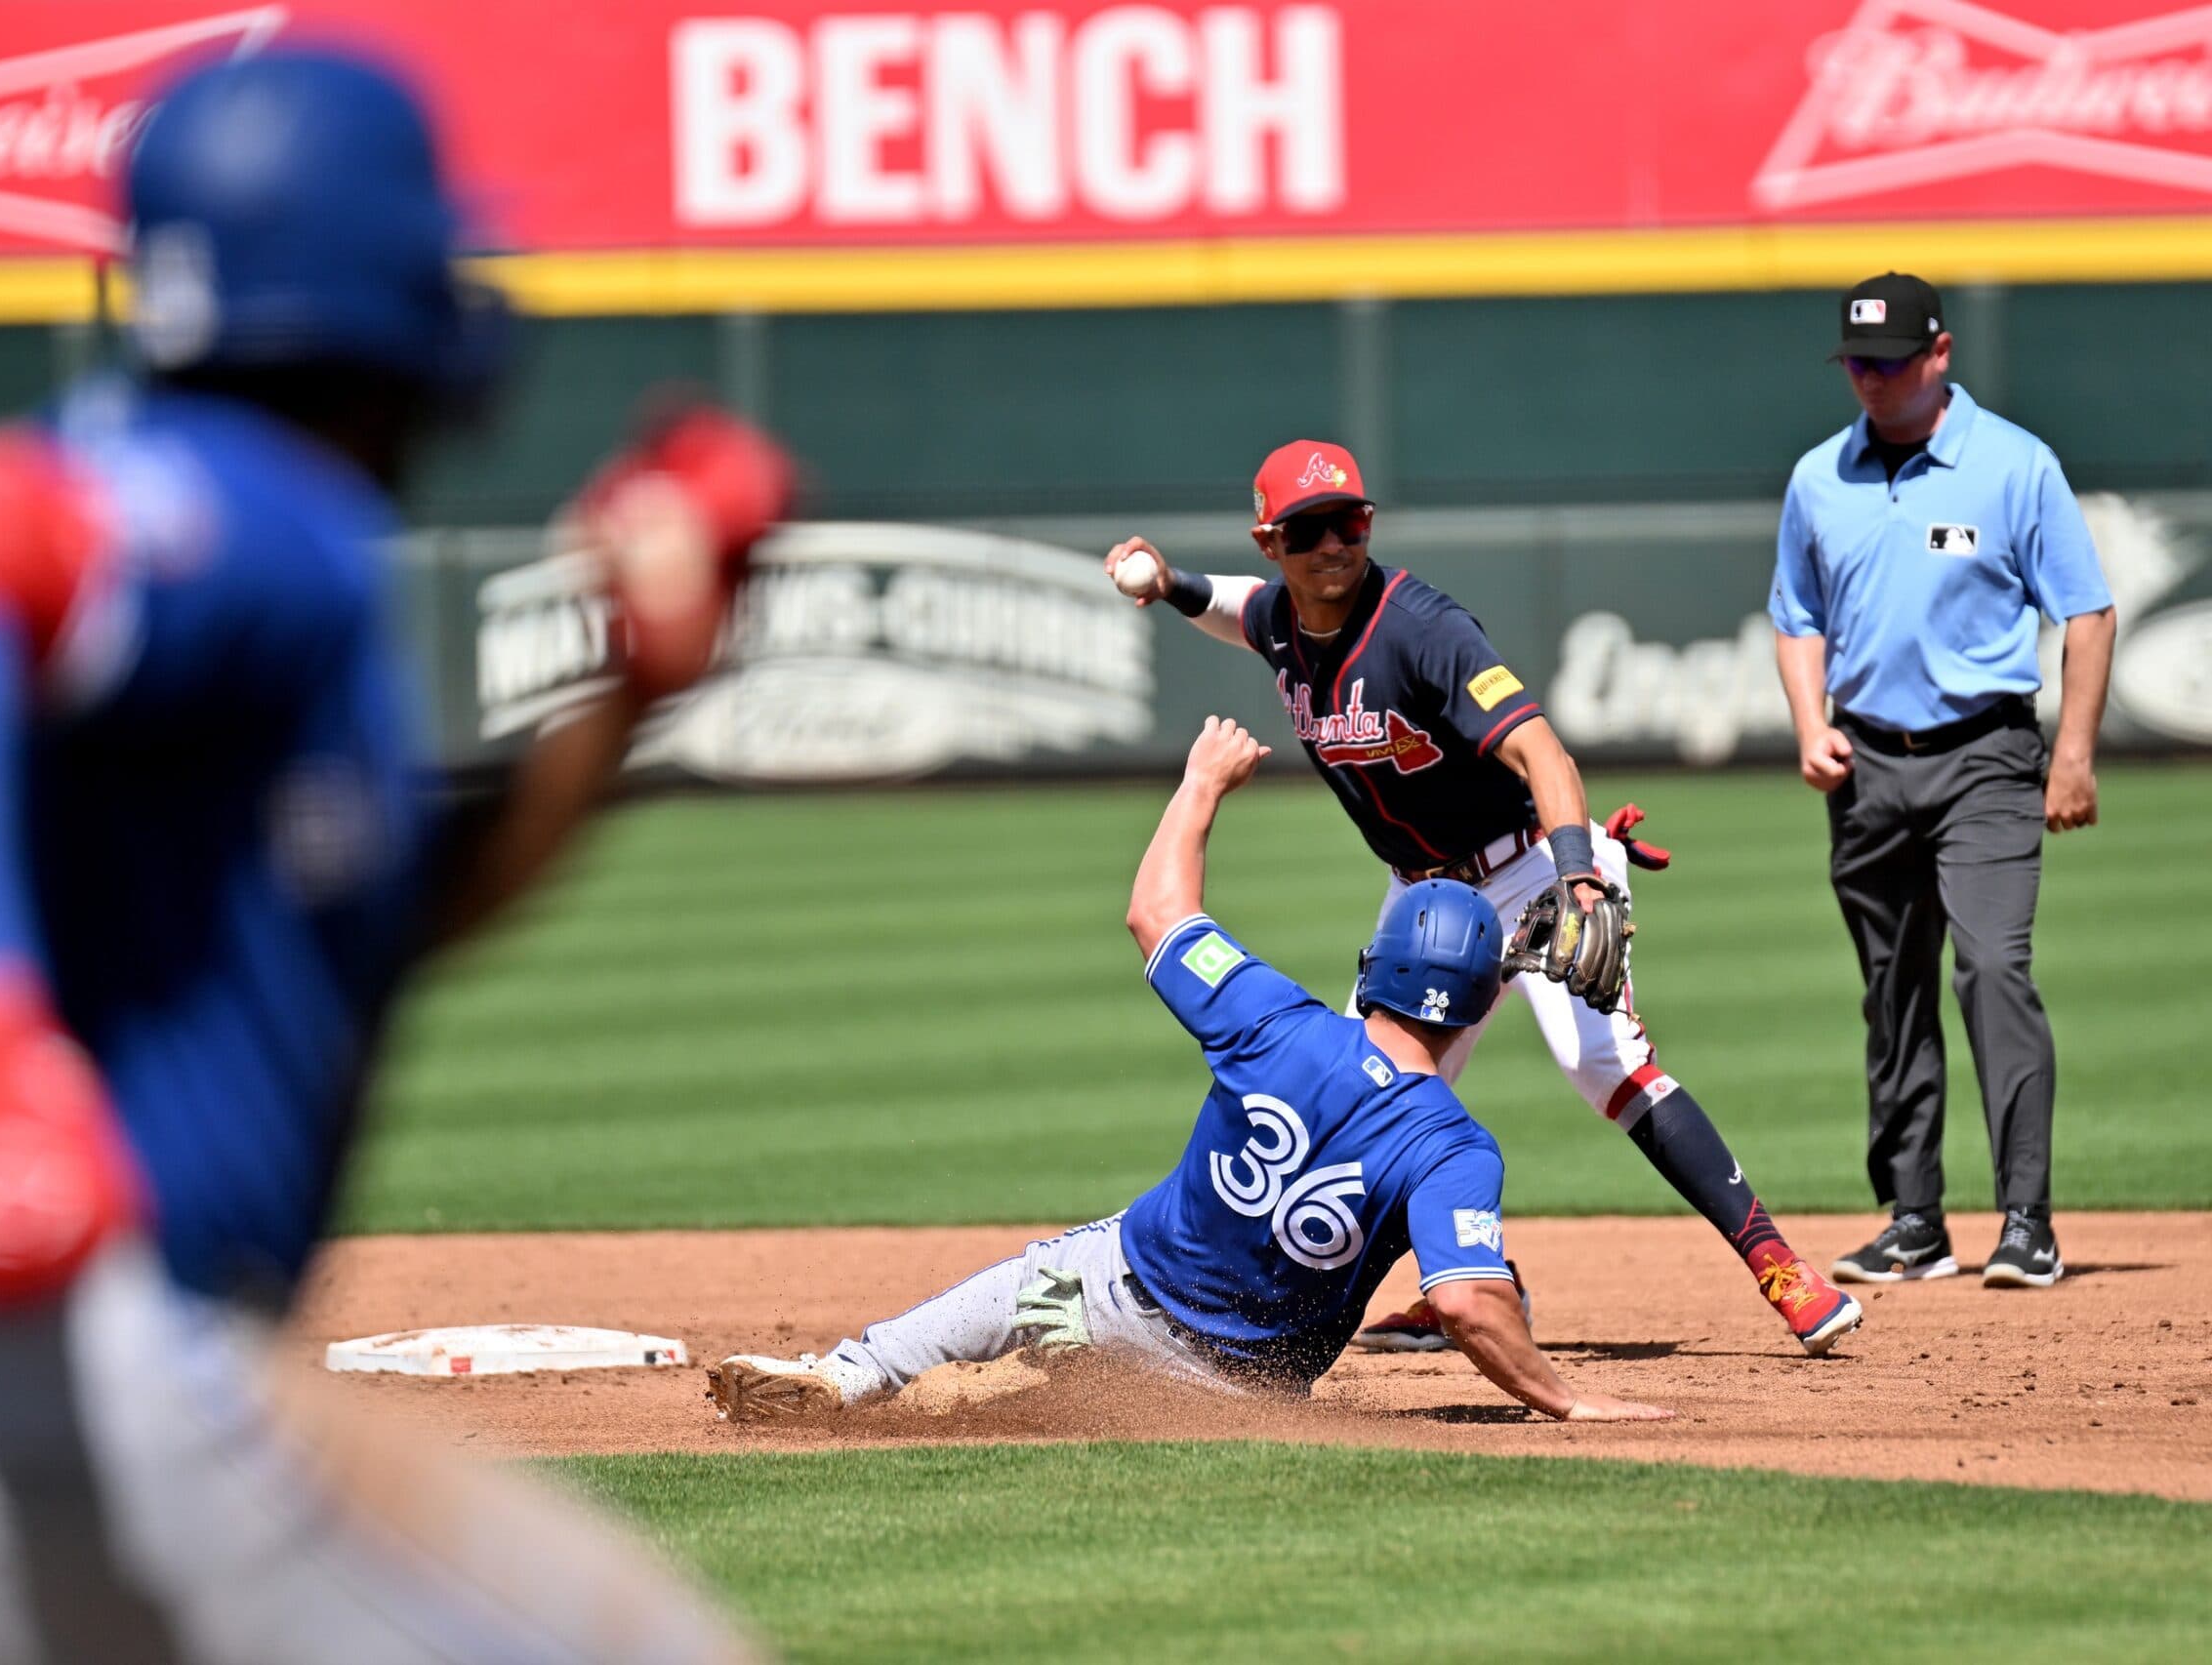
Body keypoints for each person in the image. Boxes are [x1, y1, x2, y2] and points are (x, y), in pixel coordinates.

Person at [0, 48, 792, 1663]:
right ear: (378, 293)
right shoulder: (253, 507)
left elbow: (383, 911)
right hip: (75, 1377)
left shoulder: (260, 551)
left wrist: (622, 692)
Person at [1104, 444, 1862, 1359]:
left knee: (1604, 1065)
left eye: (1349, 522)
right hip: (1425, 902)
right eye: (1308, 531)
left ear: (1369, 524)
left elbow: (1545, 752)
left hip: (1531, 870)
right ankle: (1458, 1287)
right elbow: (1239, 610)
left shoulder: (1421, 629)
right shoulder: (1282, 620)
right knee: (1360, 1097)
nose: (1334, 545)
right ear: (1272, 543)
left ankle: (1781, 1268)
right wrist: (1167, 582)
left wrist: (1580, 874)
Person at [709, 717, 1672, 1426]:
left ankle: (852, 1375)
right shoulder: (1452, 1147)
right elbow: (1464, 1296)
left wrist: (1202, 781)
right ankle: (1017, 1393)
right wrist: (1566, 1397)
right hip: (1238, 1388)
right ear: (1472, 1001)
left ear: (1374, 965)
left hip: (1109, 1299)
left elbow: (1155, 910)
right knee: (1061, 1362)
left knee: (1019, 1295)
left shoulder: (1274, 1021)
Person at [1772, 271, 2115, 1292]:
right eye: (1854, 363)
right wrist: (1808, 722)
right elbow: (1796, 615)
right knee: (1891, 990)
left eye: (1886, 362)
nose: (1868, 380)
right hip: (1866, 763)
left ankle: (2026, 1218)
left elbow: (2086, 612)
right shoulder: (1818, 476)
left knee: (1992, 969)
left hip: (1986, 756)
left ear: (1938, 354)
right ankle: (1913, 1219)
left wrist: (2074, 754)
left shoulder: (2013, 464)